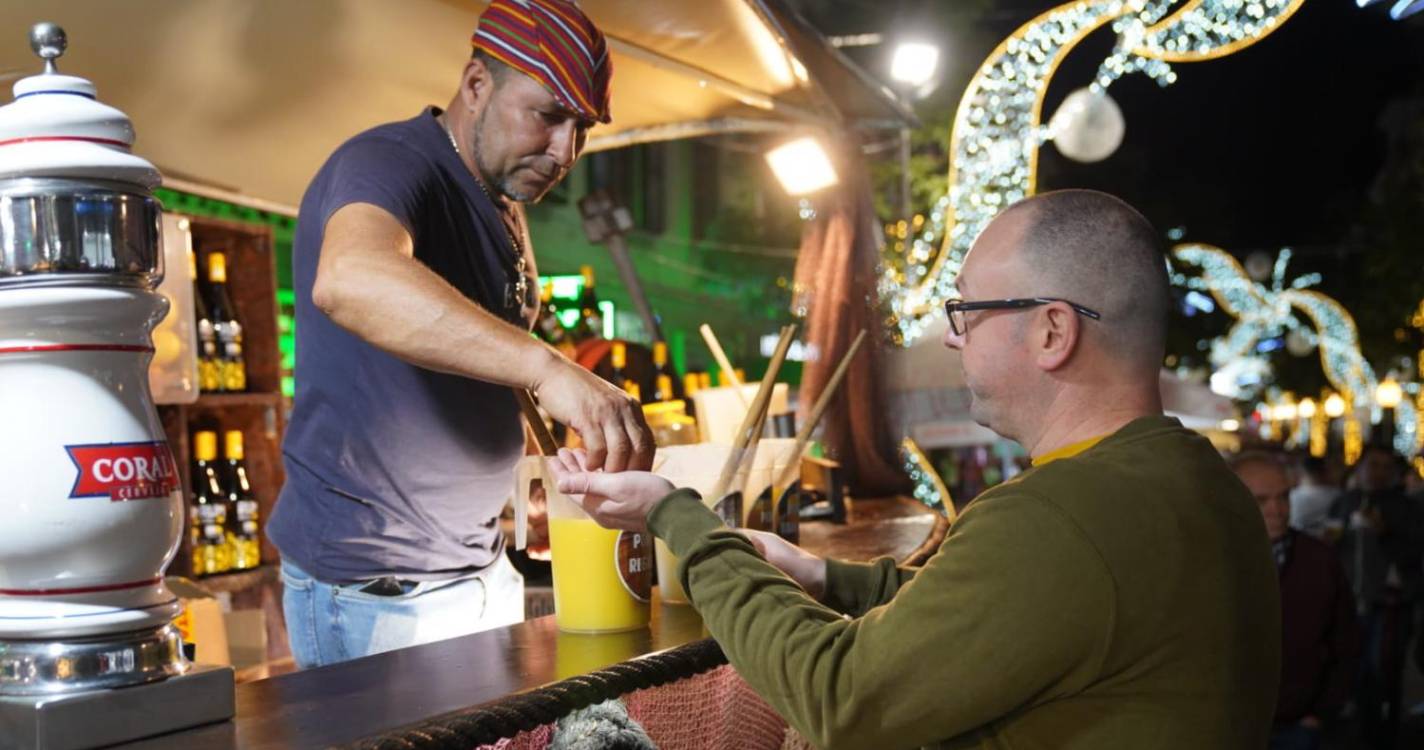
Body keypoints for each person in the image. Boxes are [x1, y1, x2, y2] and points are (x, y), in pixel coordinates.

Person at [549, 190, 1281, 747]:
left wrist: (678, 518)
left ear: (1053, 330)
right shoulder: (1202, 482)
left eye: (967, 311)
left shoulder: (1059, 515)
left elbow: (838, 697)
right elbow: (1010, 613)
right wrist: (821, 578)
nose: (956, 340)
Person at [267, 0, 653, 669]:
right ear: (477, 85)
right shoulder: (390, 163)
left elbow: (476, 361)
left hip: (477, 567)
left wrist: (533, 478)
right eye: (548, 115)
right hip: (380, 596)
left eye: (582, 128)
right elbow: (351, 277)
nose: (566, 151)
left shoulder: (502, 203)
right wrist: (551, 368)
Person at [1230, 451, 1360, 750]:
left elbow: (1347, 642)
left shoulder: (1319, 559)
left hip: (1298, 723)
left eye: (1284, 497)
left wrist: (1322, 710)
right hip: (1229, 725)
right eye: (1262, 500)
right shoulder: (1209, 559)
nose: (1277, 509)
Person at [1331, 444, 1424, 748]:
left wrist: (1385, 533)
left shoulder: (1406, 506)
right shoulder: (1346, 501)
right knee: (1355, 665)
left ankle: (1388, 727)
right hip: (1352, 598)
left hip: (1390, 603)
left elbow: (1415, 552)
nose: (1378, 472)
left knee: (1384, 666)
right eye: (1373, 465)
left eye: (1385, 466)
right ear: (1359, 468)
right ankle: (1364, 722)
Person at [1292, 455, 1343, 541]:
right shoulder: (1338, 495)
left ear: (1301, 472)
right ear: (1323, 471)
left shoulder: (1291, 496)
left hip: (1297, 545)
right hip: (1328, 546)